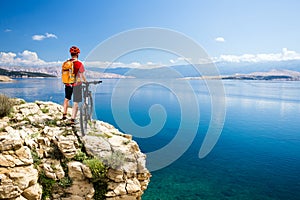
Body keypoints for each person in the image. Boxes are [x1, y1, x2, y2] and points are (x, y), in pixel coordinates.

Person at [62, 46, 86, 125]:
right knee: (75, 102)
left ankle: (64, 115)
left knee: (66, 99)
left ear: (71, 54)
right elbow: (82, 76)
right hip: (77, 84)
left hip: (68, 84)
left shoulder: (67, 63)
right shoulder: (79, 64)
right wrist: (85, 82)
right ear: (78, 54)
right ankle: (72, 119)